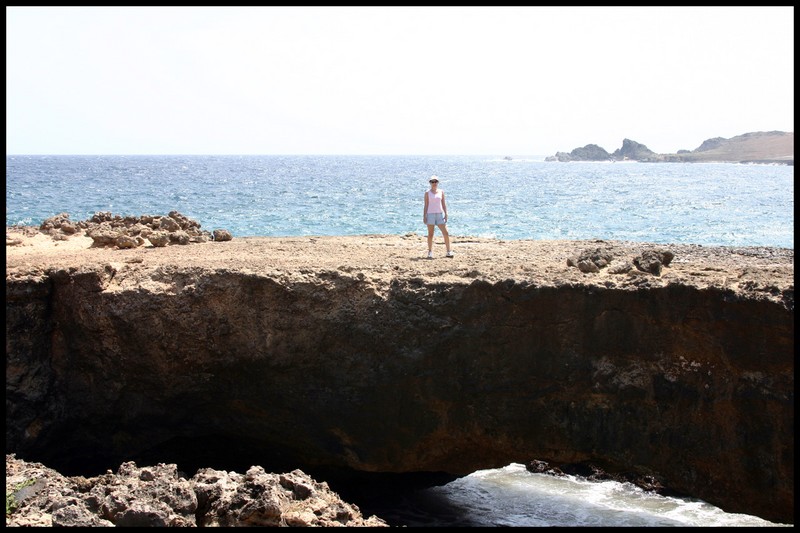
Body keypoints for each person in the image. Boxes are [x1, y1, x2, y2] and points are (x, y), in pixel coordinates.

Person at [423, 175, 454, 259]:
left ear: (438, 182)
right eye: (432, 182)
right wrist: (424, 216)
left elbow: (443, 203)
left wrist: (446, 213)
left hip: (439, 214)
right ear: (430, 183)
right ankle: (430, 252)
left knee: (445, 233)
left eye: (435, 181)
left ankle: (448, 251)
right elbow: (426, 205)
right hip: (430, 215)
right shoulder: (427, 193)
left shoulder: (441, 192)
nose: (434, 183)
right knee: (430, 234)